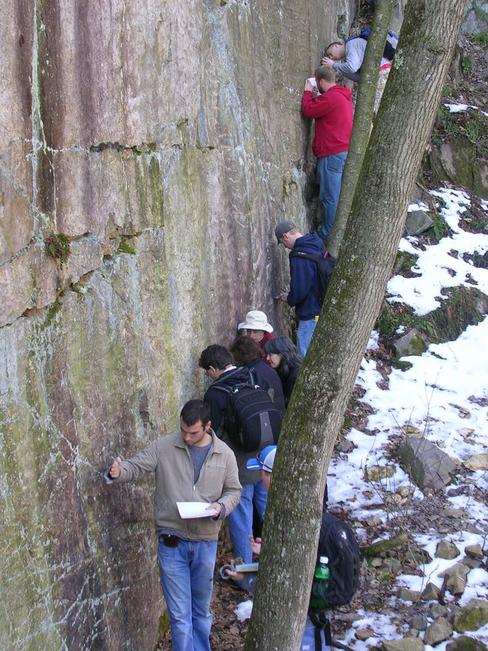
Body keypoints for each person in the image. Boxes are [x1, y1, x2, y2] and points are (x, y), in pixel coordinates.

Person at [106, 399, 241, 651]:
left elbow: (234, 491)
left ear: (208, 426)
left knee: (201, 613)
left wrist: (221, 507)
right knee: (180, 618)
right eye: (183, 430)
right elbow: (136, 466)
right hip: (171, 542)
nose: (187, 437)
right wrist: (118, 471)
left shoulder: (225, 454)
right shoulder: (164, 446)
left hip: (205, 542)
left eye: (193, 432)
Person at [227, 445, 330, 651]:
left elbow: (283, 581)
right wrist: (267, 551)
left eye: (264, 473)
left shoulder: (288, 516)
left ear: (274, 475)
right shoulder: (292, 506)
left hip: (302, 617)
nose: (260, 478)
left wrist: (247, 578)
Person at [199, 344, 279, 563]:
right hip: (264, 455)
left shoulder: (215, 392)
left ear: (213, 369)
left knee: (241, 513)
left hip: (239, 462)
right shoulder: (252, 375)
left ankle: (244, 567)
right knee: (268, 507)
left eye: (208, 372)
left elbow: (214, 433)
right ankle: (279, 557)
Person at [301, 66, 353, 241]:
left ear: (322, 81)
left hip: (331, 153)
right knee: (332, 194)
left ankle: (327, 234)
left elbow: (308, 110)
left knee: (329, 196)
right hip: (339, 152)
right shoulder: (342, 96)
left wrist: (308, 92)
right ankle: (329, 230)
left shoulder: (332, 98)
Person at [275, 220, 324, 358]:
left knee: (304, 356)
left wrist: (289, 298)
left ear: (285, 236)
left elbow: (300, 289)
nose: (285, 247)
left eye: (282, 243)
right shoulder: (316, 242)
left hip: (310, 312)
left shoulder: (299, 255)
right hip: (321, 306)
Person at [322, 30, 398, 112]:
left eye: (330, 54)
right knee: (373, 107)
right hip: (382, 71)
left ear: (336, 46)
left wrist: (333, 65)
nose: (331, 58)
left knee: (372, 107)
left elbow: (352, 67)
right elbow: (359, 77)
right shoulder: (353, 49)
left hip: (381, 71)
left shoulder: (351, 44)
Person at [230, 335, 285, 412]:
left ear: (239, 356)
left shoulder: (251, 373)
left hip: (266, 416)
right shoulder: (267, 368)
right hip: (277, 413)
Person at [263, 336, 302, 407]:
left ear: (281, 354)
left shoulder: (296, 375)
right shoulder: (283, 370)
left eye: (270, 355)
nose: (267, 358)